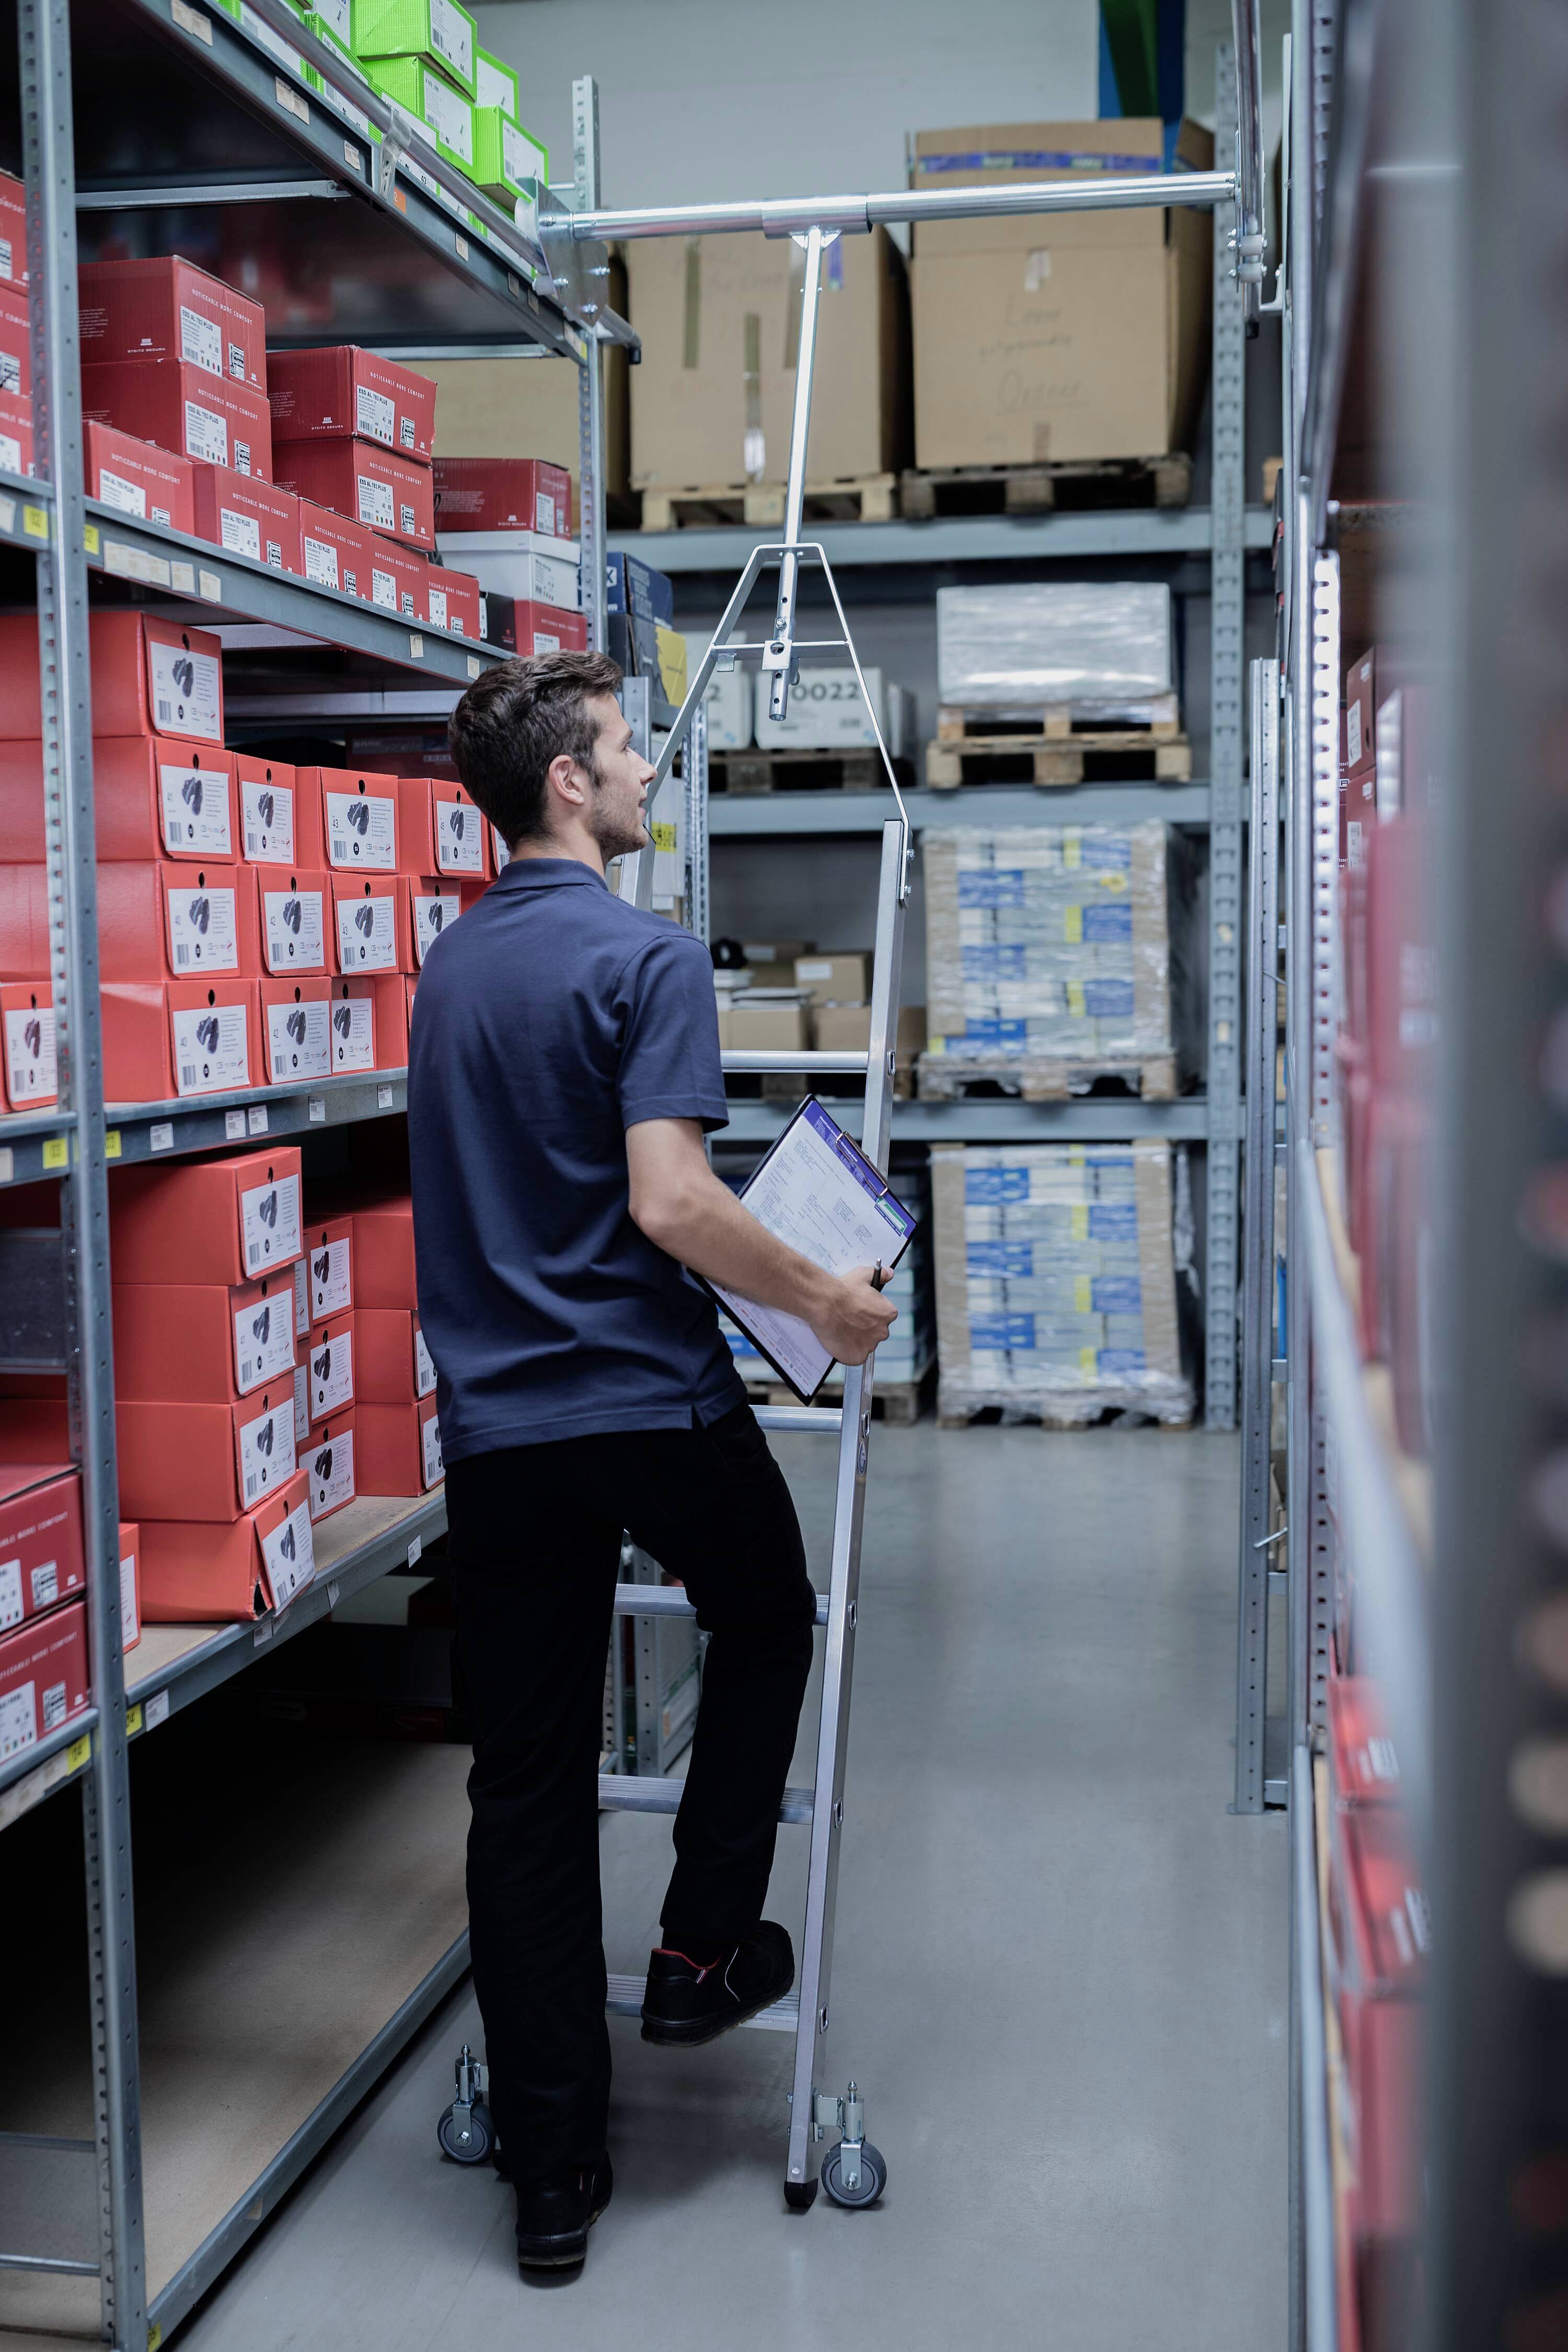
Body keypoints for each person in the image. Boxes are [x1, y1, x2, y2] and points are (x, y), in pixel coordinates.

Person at [407, 650, 896, 2275]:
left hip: (500, 1434)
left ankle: (554, 2180)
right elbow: (671, 1202)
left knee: (526, 1783)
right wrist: (825, 1292)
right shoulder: (647, 957)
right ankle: (699, 1946)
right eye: (622, 748)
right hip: (646, 1402)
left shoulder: (450, 967)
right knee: (767, 1618)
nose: (640, 771)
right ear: (567, 783)